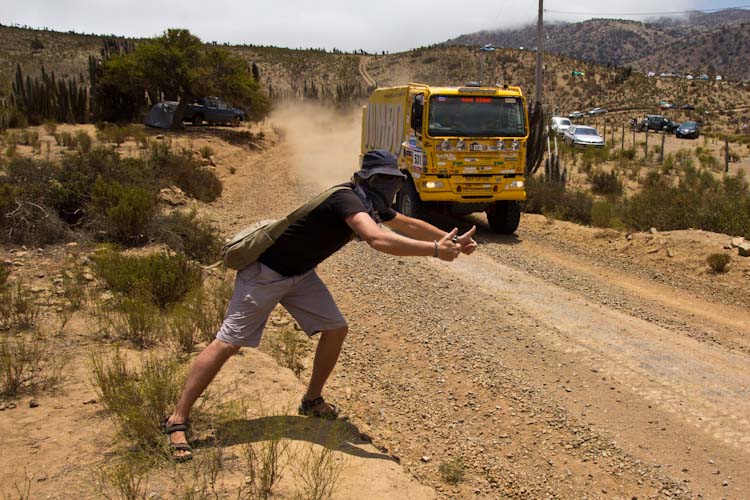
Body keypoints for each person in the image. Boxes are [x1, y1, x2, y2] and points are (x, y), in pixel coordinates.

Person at [164, 149, 477, 460]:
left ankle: (311, 400)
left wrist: (455, 239)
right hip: (266, 274)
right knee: (227, 343)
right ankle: (177, 419)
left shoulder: (371, 203)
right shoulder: (348, 200)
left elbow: (406, 223)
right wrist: (435, 250)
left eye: (394, 181)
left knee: (336, 328)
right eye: (383, 180)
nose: (389, 188)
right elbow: (376, 239)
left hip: (299, 275)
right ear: (366, 179)